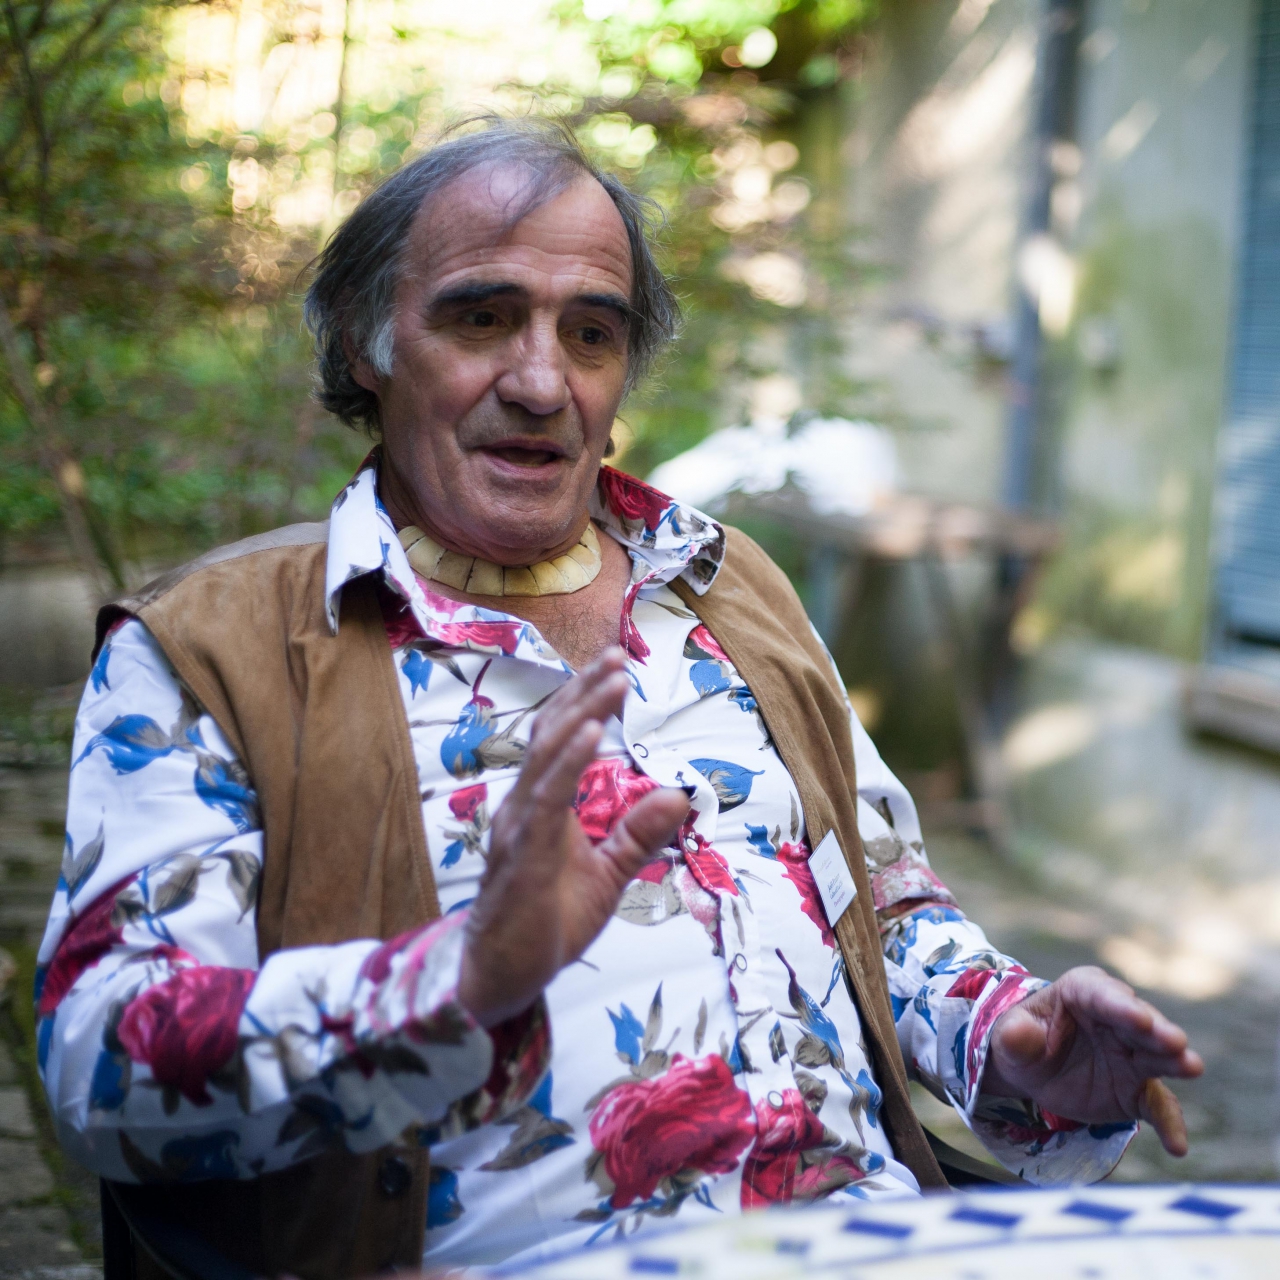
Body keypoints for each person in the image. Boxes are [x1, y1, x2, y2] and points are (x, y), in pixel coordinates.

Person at [36, 117, 1201, 1279]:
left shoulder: (732, 588)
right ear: (364, 341)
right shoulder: (212, 649)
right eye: (480, 318)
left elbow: (882, 906)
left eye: (589, 333)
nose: (541, 381)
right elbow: (101, 1067)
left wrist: (1012, 1034)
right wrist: (455, 979)